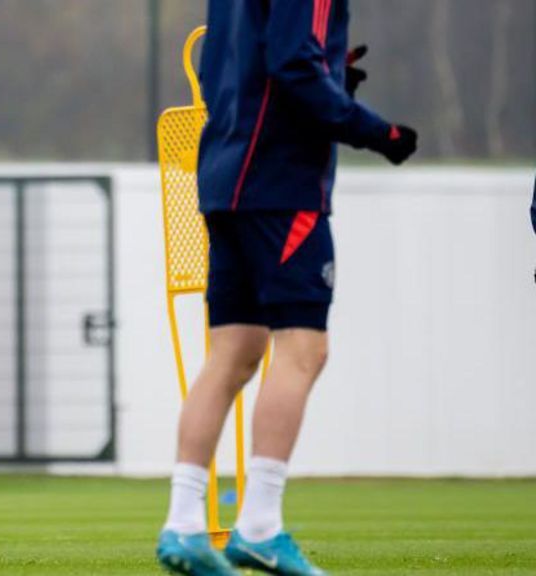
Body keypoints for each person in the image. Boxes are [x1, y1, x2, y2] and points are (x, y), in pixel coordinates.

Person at [156, 2, 417, 575]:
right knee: (304, 350)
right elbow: (294, 65)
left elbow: (252, 60)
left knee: (232, 354)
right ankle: (260, 526)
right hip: (280, 183)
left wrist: (330, 75)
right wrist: (377, 131)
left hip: (224, 175)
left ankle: (182, 525)